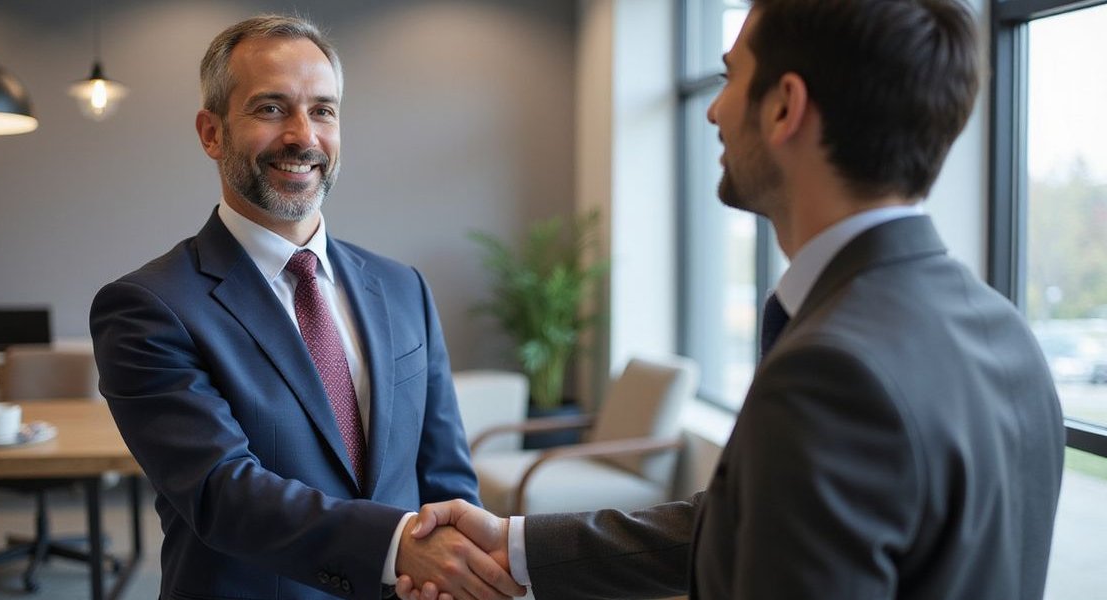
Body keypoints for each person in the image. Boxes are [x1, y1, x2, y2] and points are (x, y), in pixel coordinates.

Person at [395, 1, 1066, 598]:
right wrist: (511, 546)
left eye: (729, 76)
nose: (714, 111)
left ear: (784, 107)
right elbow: (749, 523)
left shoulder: (831, 372)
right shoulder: (1005, 332)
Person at [90, 15, 522, 600]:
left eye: (323, 110)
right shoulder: (149, 307)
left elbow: (444, 473)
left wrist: (461, 569)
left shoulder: (402, 288)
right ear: (211, 132)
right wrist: (401, 549)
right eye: (271, 109)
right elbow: (224, 491)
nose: (303, 136)